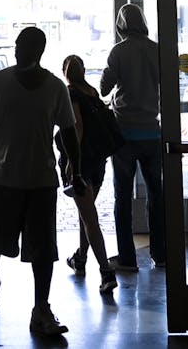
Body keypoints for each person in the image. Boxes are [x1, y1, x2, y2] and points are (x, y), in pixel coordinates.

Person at [0, 27, 81, 336]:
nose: (15, 50)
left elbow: (68, 132)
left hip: (41, 179)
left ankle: (41, 307)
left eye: (20, 46)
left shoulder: (55, 88)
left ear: (35, 50)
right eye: (16, 46)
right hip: (4, 177)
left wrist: (75, 170)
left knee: (44, 248)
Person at [101, 3, 166, 271]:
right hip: (152, 131)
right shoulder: (156, 49)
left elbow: (104, 88)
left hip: (124, 133)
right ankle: (161, 254)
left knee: (123, 198)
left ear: (121, 25)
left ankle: (127, 258)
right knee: (156, 195)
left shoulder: (119, 51)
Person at [58, 54, 118, 295]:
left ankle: (106, 272)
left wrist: (73, 162)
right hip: (99, 159)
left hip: (82, 161)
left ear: (65, 73)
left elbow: (77, 125)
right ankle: (81, 258)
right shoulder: (92, 91)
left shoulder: (71, 93)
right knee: (87, 212)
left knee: (90, 218)